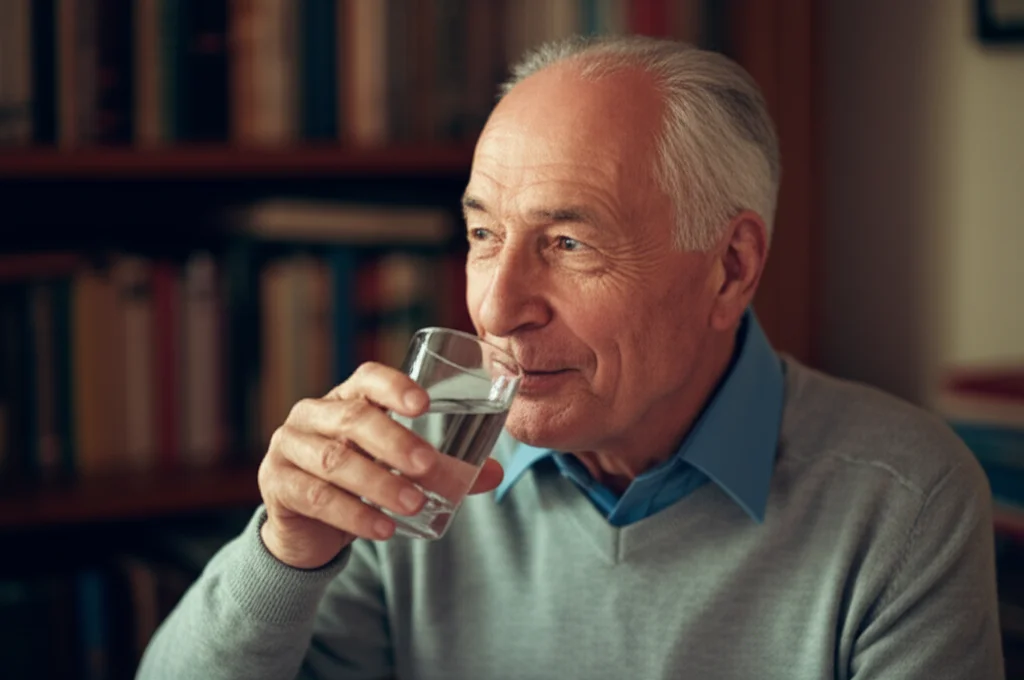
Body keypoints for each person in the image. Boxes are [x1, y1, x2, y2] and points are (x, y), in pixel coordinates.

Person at [137, 36, 1003, 679]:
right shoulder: (412, 471)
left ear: (731, 268)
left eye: (568, 243)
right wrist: (283, 553)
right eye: (484, 234)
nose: (496, 309)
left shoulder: (902, 499)